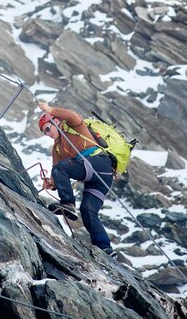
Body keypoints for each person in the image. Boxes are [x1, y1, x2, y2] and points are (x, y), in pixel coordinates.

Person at [38, 101, 116, 258]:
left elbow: (71, 114)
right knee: (87, 210)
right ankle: (105, 248)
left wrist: (50, 109)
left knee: (61, 168)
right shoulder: (57, 149)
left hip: (98, 162)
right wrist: (51, 184)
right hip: (101, 178)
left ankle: (68, 204)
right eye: (44, 132)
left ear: (56, 121)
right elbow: (57, 172)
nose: (48, 133)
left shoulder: (74, 126)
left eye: (48, 128)